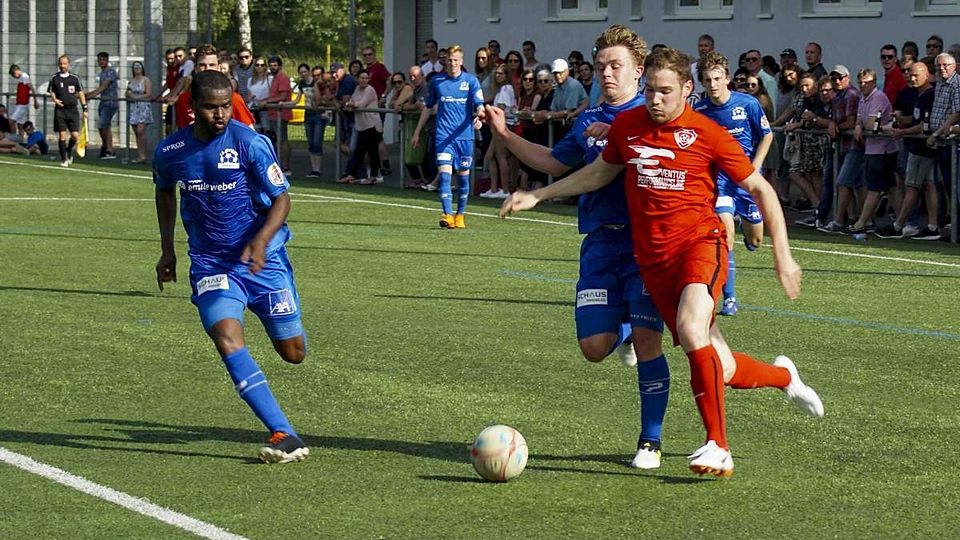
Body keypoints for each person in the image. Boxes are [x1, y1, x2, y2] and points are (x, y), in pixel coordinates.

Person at [500, 47, 824, 478]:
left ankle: (718, 446)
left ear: (687, 89)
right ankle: (784, 377)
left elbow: (761, 189)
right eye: (650, 90)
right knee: (722, 366)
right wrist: (538, 194)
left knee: (691, 328)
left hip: (700, 247)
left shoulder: (707, 133)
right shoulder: (628, 126)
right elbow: (597, 173)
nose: (655, 99)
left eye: (665, 91)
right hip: (653, 262)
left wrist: (783, 256)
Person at [485, 25, 671, 470]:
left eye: (616, 65)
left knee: (650, 340)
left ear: (638, 71)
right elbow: (554, 162)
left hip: (646, 244)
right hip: (600, 243)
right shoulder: (589, 120)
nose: (606, 73)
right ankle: (623, 329)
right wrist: (505, 133)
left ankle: (650, 441)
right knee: (593, 346)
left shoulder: (654, 115)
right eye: (601, 65)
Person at [153, 70, 309, 464]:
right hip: (211, 264)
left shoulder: (250, 143)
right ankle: (284, 432)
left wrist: (260, 240)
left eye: (226, 106)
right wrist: (168, 249)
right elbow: (164, 192)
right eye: (211, 107)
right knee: (225, 337)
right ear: (193, 106)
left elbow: (282, 199)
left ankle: (283, 422)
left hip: (263, 262)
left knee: (293, 353)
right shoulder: (171, 151)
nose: (220, 114)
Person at [694, 52, 773, 317]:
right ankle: (729, 298)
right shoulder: (700, 111)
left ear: (727, 78)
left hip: (746, 180)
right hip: (719, 181)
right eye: (708, 80)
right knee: (725, 237)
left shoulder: (747, 104)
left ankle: (747, 230)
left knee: (756, 240)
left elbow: (767, 136)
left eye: (717, 78)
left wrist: (755, 167)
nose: (713, 84)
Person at [412, 45, 483, 229]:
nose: (452, 63)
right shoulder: (437, 81)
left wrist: (480, 117)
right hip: (444, 136)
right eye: (449, 60)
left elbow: (480, 105)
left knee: (463, 178)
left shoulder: (471, 81)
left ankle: (460, 215)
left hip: (464, 137)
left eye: (455, 60)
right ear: (445, 61)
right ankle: (447, 214)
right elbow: (428, 107)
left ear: (461, 61)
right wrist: (417, 131)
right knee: (444, 176)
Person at [877, 61, 940, 240]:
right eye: (910, 75)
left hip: (921, 148)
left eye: (915, 75)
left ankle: (900, 225)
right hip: (920, 146)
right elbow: (916, 119)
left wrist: (902, 132)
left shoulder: (929, 95)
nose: (912, 78)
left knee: (912, 186)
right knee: (927, 185)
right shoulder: (920, 95)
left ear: (926, 75)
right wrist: (901, 119)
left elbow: (923, 125)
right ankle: (932, 226)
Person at [47, 55, 87, 167]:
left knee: (75, 136)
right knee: (62, 135)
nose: (62, 66)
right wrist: (55, 100)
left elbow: (80, 93)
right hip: (60, 110)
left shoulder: (75, 78)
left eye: (64, 64)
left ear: (68, 64)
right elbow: (51, 91)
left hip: (72, 110)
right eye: (61, 64)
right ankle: (64, 159)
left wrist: (85, 108)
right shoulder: (54, 78)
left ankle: (69, 150)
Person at [82, 51, 120, 159]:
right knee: (105, 127)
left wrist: (91, 95)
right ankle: (108, 148)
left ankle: (108, 148)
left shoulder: (111, 72)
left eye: (103, 60)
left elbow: (104, 86)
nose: (101, 62)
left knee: (102, 125)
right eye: (100, 60)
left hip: (110, 102)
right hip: (103, 102)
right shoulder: (102, 73)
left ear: (107, 60)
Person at [125, 61, 154, 163]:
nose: (137, 69)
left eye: (139, 67)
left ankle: (144, 155)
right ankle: (140, 155)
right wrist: (129, 95)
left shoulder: (146, 80)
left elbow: (148, 93)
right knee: (137, 133)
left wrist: (137, 97)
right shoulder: (131, 81)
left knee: (140, 131)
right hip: (134, 108)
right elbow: (127, 92)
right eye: (135, 67)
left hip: (143, 107)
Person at [8, 64, 40, 140]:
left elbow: (32, 88)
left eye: (13, 74)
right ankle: (21, 140)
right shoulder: (21, 78)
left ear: (16, 71)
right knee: (20, 124)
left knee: (11, 121)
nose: (14, 77)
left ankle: (13, 137)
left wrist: (35, 101)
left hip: (22, 104)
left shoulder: (24, 76)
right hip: (20, 103)